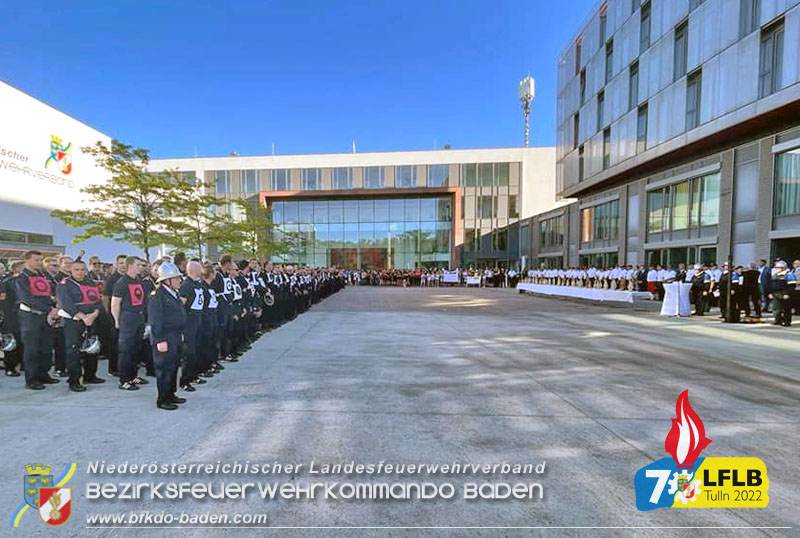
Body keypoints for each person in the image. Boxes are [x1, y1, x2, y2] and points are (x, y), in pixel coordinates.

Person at [56, 260, 105, 391]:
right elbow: (65, 303)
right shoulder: (65, 284)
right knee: (73, 351)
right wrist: (82, 317)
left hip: (91, 319)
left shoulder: (90, 283)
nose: (80, 272)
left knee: (92, 347)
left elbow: (97, 300)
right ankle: (74, 380)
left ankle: (90, 375)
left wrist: (94, 314)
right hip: (73, 321)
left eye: (83, 269)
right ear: (71, 270)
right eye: (77, 269)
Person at [14, 251, 60, 390]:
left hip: (45, 316)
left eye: (41, 260)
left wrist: (55, 305)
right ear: (27, 261)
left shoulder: (43, 275)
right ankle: (32, 379)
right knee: (32, 349)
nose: (39, 263)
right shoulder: (21, 278)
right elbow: (26, 299)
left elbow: (49, 294)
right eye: (36, 260)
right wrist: (49, 309)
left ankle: (43, 374)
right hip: (30, 317)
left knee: (46, 349)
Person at [147, 262, 187, 410]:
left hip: (175, 335)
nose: (179, 281)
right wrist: (160, 340)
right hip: (164, 337)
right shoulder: (157, 296)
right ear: (166, 280)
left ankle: (171, 394)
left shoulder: (173, 293)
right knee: (164, 369)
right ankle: (162, 399)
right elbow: (155, 320)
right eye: (176, 278)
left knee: (174, 366)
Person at [111, 256, 149, 390]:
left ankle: (133, 376)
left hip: (139, 318)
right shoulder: (122, 282)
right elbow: (115, 303)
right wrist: (117, 320)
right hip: (127, 319)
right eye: (138, 265)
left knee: (136, 349)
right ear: (131, 266)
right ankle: (124, 380)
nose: (141, 267)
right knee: (126, 351)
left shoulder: (138, 281)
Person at [178, 261, 205, 391]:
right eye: (200, 268)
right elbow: (181, 305)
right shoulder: (186, 285)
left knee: (196, 350)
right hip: (188, 324)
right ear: (194, 270)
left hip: (197, 321)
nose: (202, 270)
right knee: (188, 353)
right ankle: (185, 381)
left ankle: (194, 375)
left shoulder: (197, 284)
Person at [102, 254, 128, 377]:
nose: (123, 266)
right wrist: (109, 314)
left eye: (125, 263)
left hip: (127, 315)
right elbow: (105, 297)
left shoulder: (130, 278)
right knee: (114, 343)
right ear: (116, 265)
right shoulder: (112, 279)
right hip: (115, 315)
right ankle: (113, 368)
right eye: (121, 263)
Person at [0, 260, 23, 377]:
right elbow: (3, 302)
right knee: (11, 342)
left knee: (22, 342)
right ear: (15, 269)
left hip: (24, 317)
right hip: (11, 317)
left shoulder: (26, 281)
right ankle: (10, 367)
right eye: (22, 267)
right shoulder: (6, 282)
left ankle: (22, 364)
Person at [769, 260, 797, 327]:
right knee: (776, 308)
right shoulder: (775, 275)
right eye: (776, 267)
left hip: (784, 294)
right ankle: (778, 320)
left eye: (778, 267)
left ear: (783, 268)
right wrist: (770, 293)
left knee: (786, 308)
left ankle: (787, 321)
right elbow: (771, 285)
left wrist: (787, 294)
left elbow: (792, 286)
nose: (777, 269)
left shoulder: (789, 275)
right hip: (776, 294)